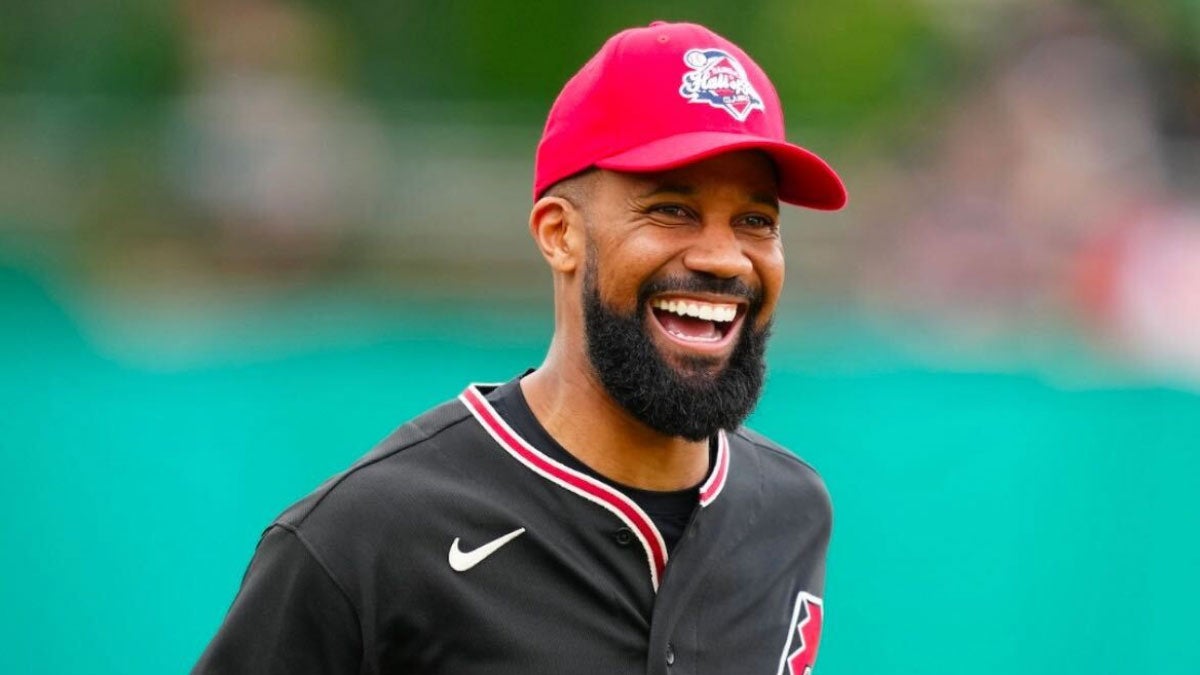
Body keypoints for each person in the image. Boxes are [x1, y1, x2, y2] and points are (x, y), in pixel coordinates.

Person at [193, 20, 846, 675]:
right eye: (672, 209)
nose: (722, 257)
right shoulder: (370, 536)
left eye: (756, 221)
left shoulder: (790, 512)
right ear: (560, 234)